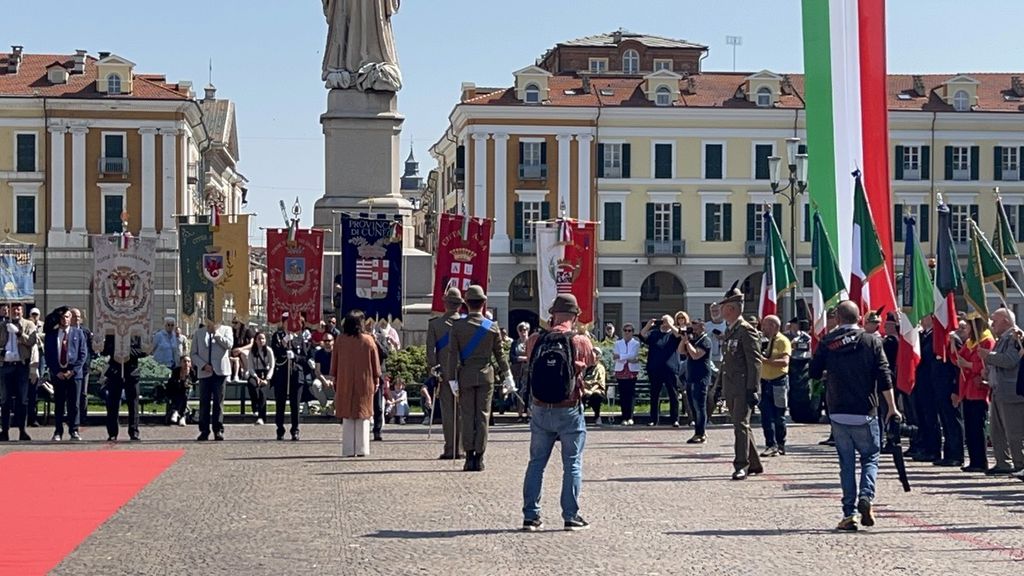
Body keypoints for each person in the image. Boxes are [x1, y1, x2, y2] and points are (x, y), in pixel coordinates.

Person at [810, 300, 901, 531]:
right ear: (860, 318)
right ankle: (866, 496)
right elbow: (884, 375)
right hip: (866, 410)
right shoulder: (872, 341)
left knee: (846, 463)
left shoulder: (828, 341)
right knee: (870, 457)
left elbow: (813, 371)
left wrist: (829, 372)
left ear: (838, 319)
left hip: (838, 411)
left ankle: (849, 513)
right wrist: (892, 407)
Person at [521, 294, 596, 532]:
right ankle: (570, 516)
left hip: (540, 407)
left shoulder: (535, 339)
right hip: (569, 408)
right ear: (575, 316)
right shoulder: (579, 340)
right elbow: (591, 362)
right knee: (572, 464)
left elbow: (529, 361)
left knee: (536, 463)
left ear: (552, 315)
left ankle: (531, 516)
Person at [448, 285, 511, 472]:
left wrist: (452, 379)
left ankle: (468, 457)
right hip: (485, 375)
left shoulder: (458, 326)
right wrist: (508, 375)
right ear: (483, 303)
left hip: (465, 374)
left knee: (467, 415)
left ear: (466, 303)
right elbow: (500, 355)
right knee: (483, 416)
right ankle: (480, 457)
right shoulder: (491, 326)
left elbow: (452, 355)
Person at [718, 285, 764, 480]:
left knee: (740, 425)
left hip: (743, 386)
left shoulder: (746, 330)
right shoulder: (731, 330)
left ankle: (741, 465)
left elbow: (755, 362)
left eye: (723, 306)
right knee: (741, 424)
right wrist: (719, 385)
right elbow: (727, 362)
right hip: (731, 385)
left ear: (731, 308)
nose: (720, 310)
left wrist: (753, 388)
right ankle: (754, 463)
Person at [979, 308, 1024, 475]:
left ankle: (1020, 464)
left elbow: (1010, 361)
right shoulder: (1001, 339)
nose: (992, 324)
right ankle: (1002, 462)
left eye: (995, 321)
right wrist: (988, 371)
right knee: (996, 431)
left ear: (1005, 321)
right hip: (998, 390)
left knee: (1014, 432)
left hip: (1011, 393)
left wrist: (988, 356)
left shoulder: (1015, 337)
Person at [332, 310, 381, 457]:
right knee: (363, 416)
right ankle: (361, 448)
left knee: (347, 416)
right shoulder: (368, 340)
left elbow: (334, 361)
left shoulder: (340, 340)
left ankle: (348, 449)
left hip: (345, 380)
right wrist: (377, 378)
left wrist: (334, 376)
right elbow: (375, 363)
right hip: (364, 381)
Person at [425, 287, 464, 459]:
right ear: (459, 305)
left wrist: (435, 370)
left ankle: (450, 448)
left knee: (448, 413)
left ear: (445, 304)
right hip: (463, 372)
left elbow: (430, 352)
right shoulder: (466, 324)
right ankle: (462, 448)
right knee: (462, 412)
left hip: (444, 373)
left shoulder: (435, 324)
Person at [953, 314, 994, 472]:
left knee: (977, 428)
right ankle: (973, 460)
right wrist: (952, 344)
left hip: (978, 390)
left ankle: (980, 461)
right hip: (967, 390)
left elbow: (985, 365)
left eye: (969, 325)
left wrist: (968, 365)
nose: (967, 328)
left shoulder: (986, 341)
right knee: (970, 428)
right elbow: (959, 358)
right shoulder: (970, 342)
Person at [45, 308, 88, 441]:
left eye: (68, 317)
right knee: (59, 403)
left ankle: (74, 430)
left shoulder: (78, 333)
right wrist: (56, 371)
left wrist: (73, 371)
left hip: (74, 374)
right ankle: (58, 431)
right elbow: (48, 355)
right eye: (63, 317)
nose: (65, 320)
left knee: (74, 404)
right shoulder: (52, 335)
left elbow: (83, 354)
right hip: (59, 373)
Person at [0, 303, 38, 441]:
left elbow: (32, 341)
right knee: (5, 399)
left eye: (18, 309)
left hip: (21, 366)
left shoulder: (29, 324)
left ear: (22, 311)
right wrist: (3, 352)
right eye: (13, 309)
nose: (16, 311)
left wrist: (18, 333)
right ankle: (4, 431)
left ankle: (22, 430)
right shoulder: (2, 325)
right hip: (6, 365)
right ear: (9, 310)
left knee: (22, 400)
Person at [191, 318, 233, 442]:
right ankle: (204, 430)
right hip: (205, 372)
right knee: (204, 402)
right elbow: (193, 353)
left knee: (218, 402)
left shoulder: (226, 330)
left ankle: (218, 429)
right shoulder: (199, 333)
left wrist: (216, 334)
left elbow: (229, 345)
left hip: (220, 371)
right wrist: (203, 365)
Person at [99, 334, 148, 442]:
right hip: (115, 371)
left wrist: (127, 352)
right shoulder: (112, 333)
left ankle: (134, 432)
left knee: (133, 403)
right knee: (112, 403)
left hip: (131, 371)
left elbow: (143, 351)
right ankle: (112, 433)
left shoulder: (136, 333)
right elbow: (105, 351)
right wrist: (116, 350)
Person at [639, 314, 682, 427]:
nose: (664, 323)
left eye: (666, 321)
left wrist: (670, 325)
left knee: (673, 394)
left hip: (670, 369)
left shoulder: (673, 335)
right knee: (654, 395)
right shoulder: (654, 334)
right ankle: (653, 419)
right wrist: (648, 325)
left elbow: (679, 335)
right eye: (662, 321)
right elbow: (642, 335)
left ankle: (675, 419)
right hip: (655, 369)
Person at [758, 315, 791, 457]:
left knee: (779, 416)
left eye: (765, 325)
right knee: (766, 415)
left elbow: (785, 361)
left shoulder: (782, 341)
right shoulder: (765, 341)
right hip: (765, 382)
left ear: (773, 326)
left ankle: (780, 444)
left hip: (778, 382)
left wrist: (766, 361)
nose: (762, 328)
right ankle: (770, 444)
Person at [270, 314, 306, 441]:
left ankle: (295, 430)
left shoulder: (299, 337)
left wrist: (295, 357)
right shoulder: (277, 336)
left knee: (295, 405)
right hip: (281, 374)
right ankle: (280, 429)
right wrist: (284, 342)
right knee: (280, 404)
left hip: (296, 375)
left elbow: (304, 358)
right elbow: (276, 352)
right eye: (287, 322)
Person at [911, 317, 942, 463]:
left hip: (930, 382)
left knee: (931, 417)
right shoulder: (923, 335)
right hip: (920, 382)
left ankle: (933, 450)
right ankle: (924, 446)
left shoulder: (935, 335)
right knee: (922, 416)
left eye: (924, 316)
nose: (921, 318)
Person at [681, 317, 712, 443]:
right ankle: (697, 431)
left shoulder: (705, 341)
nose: (693, 328)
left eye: (696, 325)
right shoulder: (693, 340)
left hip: (701, 378)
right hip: (691, 377)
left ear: (702, 327)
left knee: (699, 406)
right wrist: (684, 339)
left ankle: (701, 433)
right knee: (693, 406)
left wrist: (687, 343)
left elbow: (695, 355)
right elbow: (680, 351)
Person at [612, 322, 641, 426]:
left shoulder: (636, 344)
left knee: (631, 395)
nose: (627, 333)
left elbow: (633, 355)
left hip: (631, 371)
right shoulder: (617, 343)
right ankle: (624, 417)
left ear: (632, 332)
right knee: (623, 395)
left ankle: (630, 417)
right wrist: (626, 357)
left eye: (629, 331)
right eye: (625, 330)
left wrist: (621, 356)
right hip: (620, 370)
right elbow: (615, 357)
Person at [70, 308, 94, 425]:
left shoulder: (85, 331)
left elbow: (90, 348)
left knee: (83, 393)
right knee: (71, 394)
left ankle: (83, 417)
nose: (77, 319)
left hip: (84, 367)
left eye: (79, 317)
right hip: (70, 368)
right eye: (75, 316)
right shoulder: (67, 331)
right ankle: (71, 417)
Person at [247, 331, 275, 426]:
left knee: (263, 392)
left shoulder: (269, 350)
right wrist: (256, 377)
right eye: (259, 339)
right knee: (252, 385)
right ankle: (255, 407)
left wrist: (267, 379)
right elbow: (250, 367)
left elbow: (272, 366)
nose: (261, 341)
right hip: (255, 373)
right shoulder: (252, 351)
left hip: (266, 374)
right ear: (255, 340)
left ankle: (261, 417)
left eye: (263, 338)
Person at [510, 321, 531, 423]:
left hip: (528, 371)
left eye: (525, 330)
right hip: (518, 371)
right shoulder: (515, 343)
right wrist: (521, 358)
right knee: (519, 392)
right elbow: (511, 357)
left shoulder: (531, 342)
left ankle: (529, 414)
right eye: (521, 330)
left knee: (529, 392)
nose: (523, 332)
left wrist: (527, 359)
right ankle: (520, 413)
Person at [166, 355, 194, 427]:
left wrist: (188, 382)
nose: (186, 363)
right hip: (176, 390)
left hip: (188, 391)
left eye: (188, 361)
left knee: (184, 395)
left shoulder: (192, 372)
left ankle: (176, 411)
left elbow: (194, 382)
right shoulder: (176, 371)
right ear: (180, 363)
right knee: (181, 395)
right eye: (184, 361)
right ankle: (182, 416)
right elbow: (172, 382)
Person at [581, 347, 606, 425]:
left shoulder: (600, 368)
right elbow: (580, 379)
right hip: (584, 388)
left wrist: (591, 391)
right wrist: (584, 389)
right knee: (581, 395)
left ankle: (597, 416)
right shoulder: (585, 367)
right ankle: (580, 417)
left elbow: (599, 383)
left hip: (596, 389)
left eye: (596, 355)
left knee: (596, 396)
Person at [229, 318, 256, 383]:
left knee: (243, 353)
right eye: (233, 322)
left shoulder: (247, 331)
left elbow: (251, 344)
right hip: (234, 352)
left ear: (240, 323)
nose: (234, 324)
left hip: (244, 350)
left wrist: (241, 349)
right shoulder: (231, 331)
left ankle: (247, 370)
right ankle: (230, 376)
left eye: (236, 323)